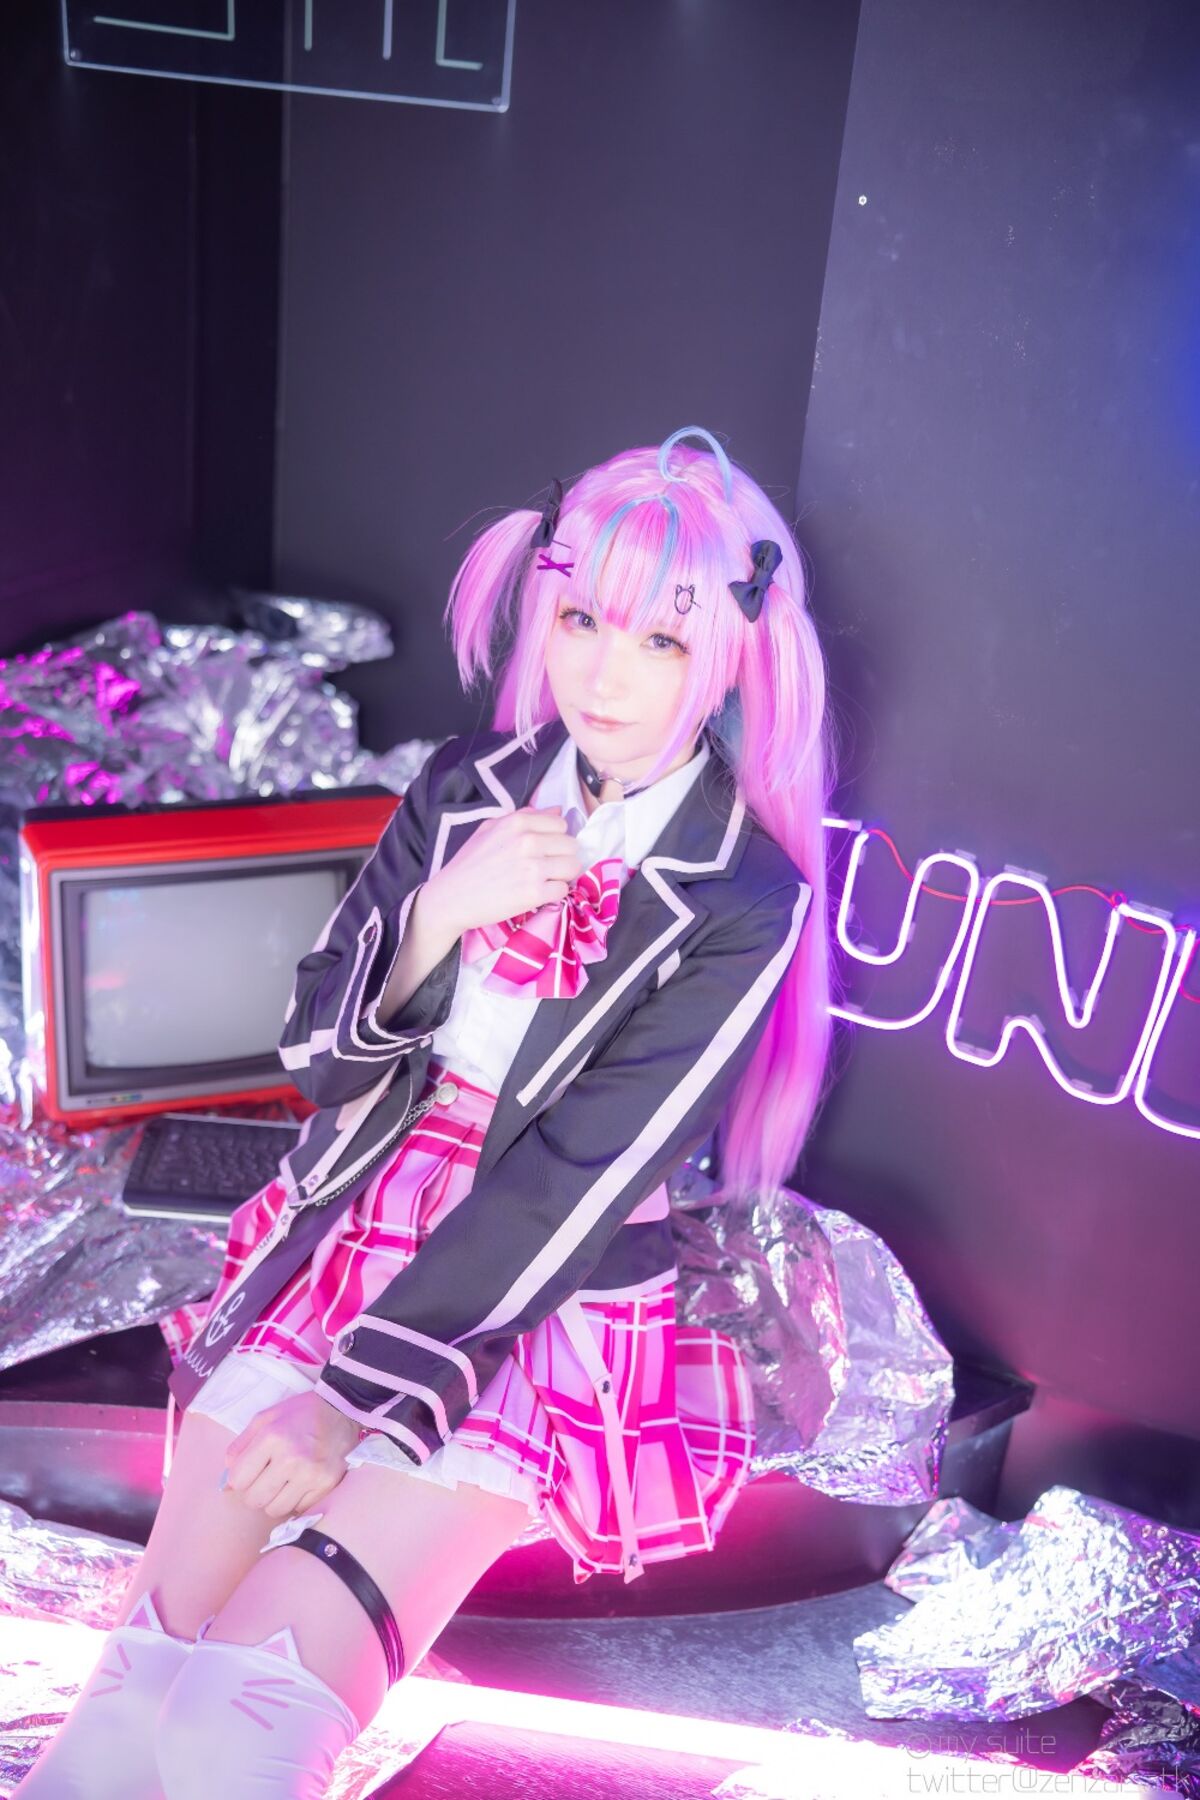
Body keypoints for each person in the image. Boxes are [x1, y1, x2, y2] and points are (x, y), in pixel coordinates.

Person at [14, 425, 837, 1798]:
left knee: (232, 1732)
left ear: (732, 657)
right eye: (582, 620)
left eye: (660, 641)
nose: (605, 674)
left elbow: (577, 1176)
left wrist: (350, 1405)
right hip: (344, 1229)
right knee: (125, 1713)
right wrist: (438, 915)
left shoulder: (744, 896)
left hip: (522, 1293)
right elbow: (317, 1052)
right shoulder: (468, 786)